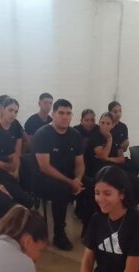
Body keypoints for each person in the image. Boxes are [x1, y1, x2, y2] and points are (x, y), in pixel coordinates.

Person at [32, 98, 93, 251]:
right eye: (61, 113)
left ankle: (89, 227)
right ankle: (59, 233)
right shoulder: (43, 134)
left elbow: (80, 163)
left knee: (93, 185)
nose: (65, 117)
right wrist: (69, 182)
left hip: (70, 177)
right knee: (61, 189)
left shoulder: (75, 135)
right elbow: (44, 167)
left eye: (68, 113)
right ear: (53, 114)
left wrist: (78, 179)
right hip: (45, 179)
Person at [87, 112, 139, 204]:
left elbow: (121, 158)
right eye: (102, 123)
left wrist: (109, 159)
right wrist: (109, 139)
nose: (104, 126)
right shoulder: (95, 137)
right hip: (100, 167)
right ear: (99, 123)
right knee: (122, 183)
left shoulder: (116, 136)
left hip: (114, 166)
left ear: (113, 125)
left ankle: (129, 207)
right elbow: (103, 156)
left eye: (108, 123)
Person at [0, 97, 24, 171]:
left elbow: (18, 152)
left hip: (11, 162)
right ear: (2, 110)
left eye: (16, 112)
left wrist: (16, 170)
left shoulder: (16, 124)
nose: (13, 114)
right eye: (10, 110)